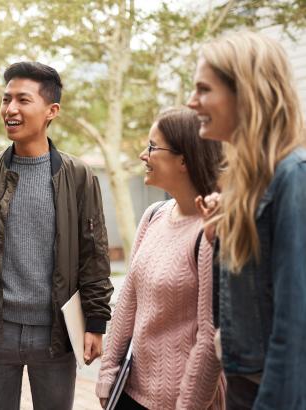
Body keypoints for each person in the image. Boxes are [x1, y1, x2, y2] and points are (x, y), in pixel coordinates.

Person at [0, 61, 113, 410]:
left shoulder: (79, 176)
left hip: (55, 335)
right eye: (6, 100)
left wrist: (96, 323)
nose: (10, 109)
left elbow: (94, 254)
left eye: (22, 100)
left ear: (52, 111)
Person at [188, 31, 306, 409]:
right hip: (242, 384)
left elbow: (294, 322)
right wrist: (218, 238)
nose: (193, 102)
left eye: (204, 89)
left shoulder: (293, 176)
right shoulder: (245, 182)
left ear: (247, 94)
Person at [96, 108, 225, 409]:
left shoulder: (209, 231)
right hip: (130, 391)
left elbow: (211, 339)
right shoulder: (154, 215)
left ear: (184, 159)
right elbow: (128, 300)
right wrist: (107, 373)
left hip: (182, 401)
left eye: (153, 147)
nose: (143, 155)